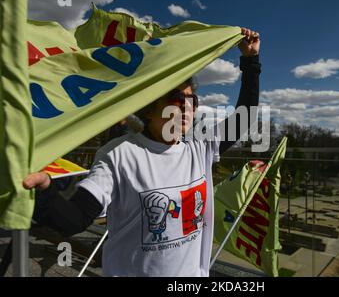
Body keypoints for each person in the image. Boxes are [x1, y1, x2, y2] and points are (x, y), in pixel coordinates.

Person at [23, 28, 261, 277]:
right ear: (148, 110)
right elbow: (74, 219)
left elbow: (245, 117)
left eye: (192, 101)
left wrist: (250, 60)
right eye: (177, 98)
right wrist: (44, 192)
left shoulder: (199, 147)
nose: (186, 108)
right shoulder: (119, 155)